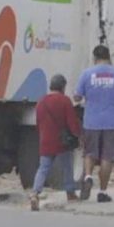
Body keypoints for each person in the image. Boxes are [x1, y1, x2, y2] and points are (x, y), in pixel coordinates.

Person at [75, 45, 114, 203]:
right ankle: (102, 191)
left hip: (91, 121)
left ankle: (87, 176)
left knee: (89, 153)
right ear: (109, 56)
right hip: (111, 122)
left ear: (94, 58)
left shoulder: (86, 74)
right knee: (107, 157)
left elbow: (77, 97)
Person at [29, 74, 82, 212]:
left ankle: (35, 193)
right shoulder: (65, 101)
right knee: (67, 166)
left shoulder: (41, 101)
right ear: (63, 87)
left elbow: (38, 122)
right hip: (62, 141)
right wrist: (78, 135)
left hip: (46, 140)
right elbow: (72, 122)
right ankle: (70, 192)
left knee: (43, 168)